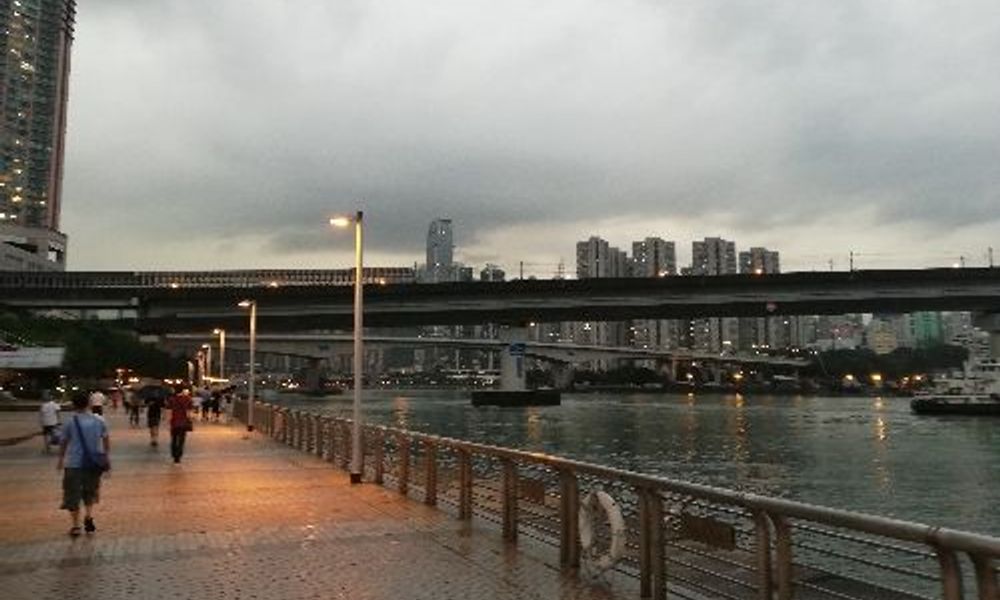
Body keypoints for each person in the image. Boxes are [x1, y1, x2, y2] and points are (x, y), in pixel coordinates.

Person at [57, 392, 110, 537]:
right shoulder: (99, 420)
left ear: (73, 405)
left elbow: (64, 442)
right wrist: (106, 458)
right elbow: (106, 440)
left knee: (72, 493)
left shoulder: (69, 422)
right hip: (93, 463)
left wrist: (61, 459)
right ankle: (88, 515)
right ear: (89, 404)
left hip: (73, 463)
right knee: (90, 491)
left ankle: (75, 526)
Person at [167, 389, 193, 464]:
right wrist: (190, 419)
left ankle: (174, 454)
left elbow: (169, 411)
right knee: (181, 440)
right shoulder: (188, 399)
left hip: (174, 422)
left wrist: (168, 421)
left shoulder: (172, 399)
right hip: (183, 422)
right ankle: (178, 456)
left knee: (174, 439)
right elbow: (189, 412)